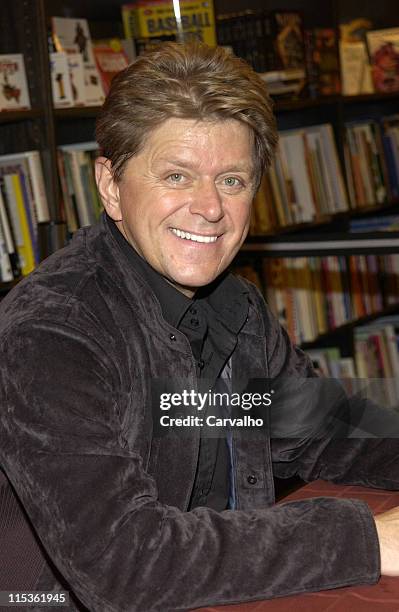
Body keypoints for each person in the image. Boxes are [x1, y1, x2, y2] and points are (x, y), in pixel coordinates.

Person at [1, 41, 399, 612]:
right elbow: (124, 563)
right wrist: (368, 537)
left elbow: (323, 429)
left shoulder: (230, 305)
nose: (210, 207)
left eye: (232, 180)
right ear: (111, 187)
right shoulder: (50, 334)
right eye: (177, 176)